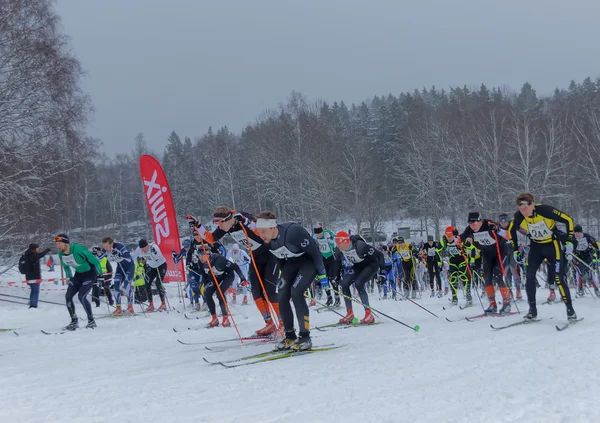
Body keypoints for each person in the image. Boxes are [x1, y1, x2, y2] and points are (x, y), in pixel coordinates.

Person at [194, 207, 282, 336]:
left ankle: (283, 323)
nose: (220, 227)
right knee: (256, 291)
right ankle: (269, 323)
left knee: (269, 290)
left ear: (228, 219)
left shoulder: (242, 218)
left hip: (270, 255)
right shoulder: (227, 226)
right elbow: (211, 238)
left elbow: (261, 231)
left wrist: (245, 221)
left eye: (221, 223)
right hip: (256, 257)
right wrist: (198, 226)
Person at [255, 211, 328, 351]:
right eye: (259, 232)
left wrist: (322, 273)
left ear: (272, 228)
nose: (261, 235)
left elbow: (314, 251)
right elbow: (278, 257)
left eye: (263, 231)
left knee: (296, 293)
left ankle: (305, 337)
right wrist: (284, 277)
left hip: (308, 262)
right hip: (291, 264)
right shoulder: (267, 242)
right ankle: (290, 336)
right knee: (281, 295)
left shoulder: (293, 232)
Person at [508, 192, 577, 320]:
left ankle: (570, 309)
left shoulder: (545, 210)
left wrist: (569, 240)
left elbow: (568, 220)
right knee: (529, 277)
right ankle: (532, 310)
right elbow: (511, 230)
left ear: (532, 204)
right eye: (520, 208)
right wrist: (516, 249)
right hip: (536, 247)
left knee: (558, 278)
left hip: (552, 245)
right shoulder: (519, 216)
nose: (523, 211)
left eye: (525, 207)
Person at [461, 212, 510, 314]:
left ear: (480, 221)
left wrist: (498, 229)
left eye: (474, 223)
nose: (472, 226)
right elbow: (462, 237)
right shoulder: (470, 229)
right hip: (487, 254)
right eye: (470, 223)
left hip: (501, 253)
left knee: (498, 276)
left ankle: (507, 303)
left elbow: (507, 235)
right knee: (486, 277)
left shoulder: (489, 224)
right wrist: (455, 238)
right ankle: (492, 305)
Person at [334, 231, 385, 325]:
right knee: (344, 283)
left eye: (339, 243)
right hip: (357, 266)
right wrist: (336, 277)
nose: (337, 246)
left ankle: (368, 314)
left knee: (359, 283)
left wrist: (382, 273)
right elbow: (337, 263)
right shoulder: (338, 250)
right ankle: (349, 314)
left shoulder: (360, 246)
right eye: (336, 243)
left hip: (371, 265)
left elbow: (380, 255)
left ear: (346, 241)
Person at [55, 234, 101, 330]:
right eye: (57, 244)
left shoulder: (78, 248)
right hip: (78, 275)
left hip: (90, 273)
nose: (58, 246)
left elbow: (95, 261)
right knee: (68, 297)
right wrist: (70, 278)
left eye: (59, 243)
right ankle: (74, 321)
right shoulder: (61, 255)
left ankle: (91, 320)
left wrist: (100, 275)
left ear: (66, 243)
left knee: (82, 296)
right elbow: (66, 267)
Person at [199, 250, 247, 328]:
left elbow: (234, 266)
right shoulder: (201, 262)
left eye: (202, 256)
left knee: (219, 293)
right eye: (199, 256)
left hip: (228, 275)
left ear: (208, 255)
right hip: (215, 276)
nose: (201, 258)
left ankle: (226, 318)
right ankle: (214, 319)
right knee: (208, 293)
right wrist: (206, 284)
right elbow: (204, 274)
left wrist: (242, 278)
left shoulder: (219, 260)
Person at [101, 237, 135, 315]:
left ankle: (130, 307)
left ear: (111, 244)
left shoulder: (119, 246)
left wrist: (119, 256)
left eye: (106, 246)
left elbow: (128, 258)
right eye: (104, 246)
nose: (105, 248)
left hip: (129, 267)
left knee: (126, 285)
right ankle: (118, 308)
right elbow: (99, 258)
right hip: (120, 268)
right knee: (116, 286)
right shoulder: (105, 250)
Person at [312, 224, 342, 306]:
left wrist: (330, 240)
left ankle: (337, 298)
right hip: (322, 260)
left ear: (322, 231)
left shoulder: (327, 234)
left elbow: (334, 243)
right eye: (317, 234)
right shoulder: (314, 237)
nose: (319, 235)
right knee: (324, 280)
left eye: (320, 233)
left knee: (332, 279)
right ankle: (329, 298)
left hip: (331, 258)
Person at [135, 239, 167, 312]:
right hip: (152, 267)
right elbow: (139, 257)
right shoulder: (141, 250)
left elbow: (159, 255)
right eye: (141, 248)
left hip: (161, 265)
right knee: (147, 283)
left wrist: (153, 253)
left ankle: (163, 304)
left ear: (147, 246)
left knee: (158, 283)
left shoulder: (153, 247)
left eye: (144, 248)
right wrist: (142, 260)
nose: (143, 250)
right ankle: (151, 304)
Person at [571, 224, 599, 297]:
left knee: (589, 273)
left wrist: (596, 250)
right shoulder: (572, 238)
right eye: (576, 233)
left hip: (587, 256)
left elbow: (595, 244)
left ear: (581, 232)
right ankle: (580, 289)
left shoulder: (587, 236)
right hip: (577, 256)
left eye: (579, 233)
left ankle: (596, 289)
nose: (577, 234)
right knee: (580, 272)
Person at [23, 243, 51, 308]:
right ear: (34, 249)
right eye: (37, 248)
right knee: (35, 291)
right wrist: (47, 250)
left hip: (29, 276)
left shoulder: (27, 254)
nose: (38, 250)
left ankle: (32, 303)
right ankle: (33, 305)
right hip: (34, 277)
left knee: (33, 290)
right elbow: (41, 255)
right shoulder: (32, 255)